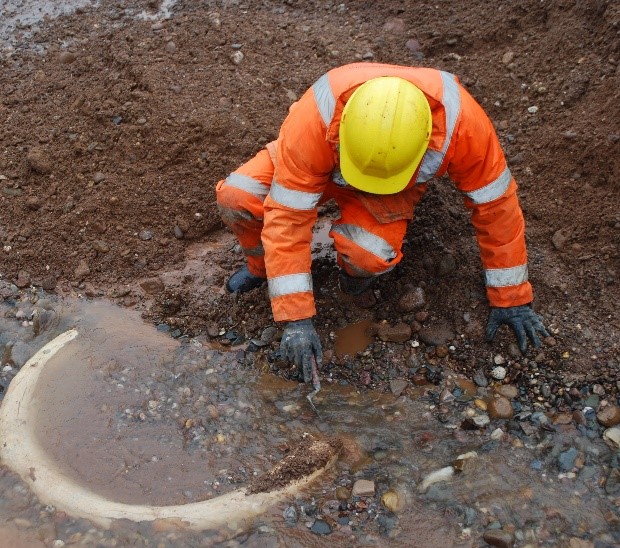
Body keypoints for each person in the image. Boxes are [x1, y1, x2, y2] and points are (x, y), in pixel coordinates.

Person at [216, 62, 548, 383]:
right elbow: (287, 217)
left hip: (394, 185)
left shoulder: (465, 127)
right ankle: (262, 269)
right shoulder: (315, 118)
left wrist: (512, 299)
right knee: (238, 196)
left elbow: (497, 210)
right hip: (324, 165)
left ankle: (353, 278)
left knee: (368, 253)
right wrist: (296, 319)